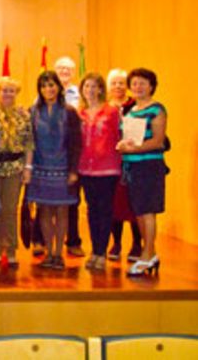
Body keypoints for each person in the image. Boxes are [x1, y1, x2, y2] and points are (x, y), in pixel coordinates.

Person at [25, 71, 82, 270]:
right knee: (44, 211)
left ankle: (59, 254)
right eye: (44, 86)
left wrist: (74, 170)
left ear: (58, 87)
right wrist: (28, 168)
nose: (48, 89)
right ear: (39, 90)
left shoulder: (70, 112)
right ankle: (49, 253)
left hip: (63, 168)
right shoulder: (32, 111)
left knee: (62, 210)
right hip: (40, 169)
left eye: (51, 85)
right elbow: (28, 142)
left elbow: (76, 143)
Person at [117, 68, 168, 277]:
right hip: (132, 166)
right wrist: (123, 145)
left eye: (143, 83)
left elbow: (158, 141)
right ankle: (151, 253)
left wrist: (133, 149)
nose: (138, 87)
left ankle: (146, 255)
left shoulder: (157, 110)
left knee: (148, 211)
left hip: (149, 166)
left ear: (151, 86)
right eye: (135, 83)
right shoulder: (130, 110)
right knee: (138, 211)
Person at [78, 73, 121, 271]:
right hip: (85, 168)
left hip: (107, 168)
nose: (91, 90)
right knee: (91, 210)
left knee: (105, 210)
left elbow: (121, 136)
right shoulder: (81, 113)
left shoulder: (112, 111)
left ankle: (102, 252)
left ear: (101, 89)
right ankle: (94, 250)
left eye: (95, 86)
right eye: (87, 86)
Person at [0, 77, 33, 266]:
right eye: (4, 90)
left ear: (16, 93)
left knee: (10, 209)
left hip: (15, 167)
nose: (7, 94)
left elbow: (29, 143)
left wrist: (28, 168)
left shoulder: (24, 114)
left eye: (11, 90)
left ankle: (12, 249)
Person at [106, 68, 141, 262]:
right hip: (111, 163)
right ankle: (116, 243)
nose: (118, 86)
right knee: (115, 204)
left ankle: (137, 243)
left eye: (121, 82)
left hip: (133, 161)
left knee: (134, 203)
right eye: (114, 83)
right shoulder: (104, 107)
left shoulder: (135, 105)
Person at [54, 56, 84, 256]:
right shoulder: (43, 93)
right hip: (50, 154)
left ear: (74, 73)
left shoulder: (80, 94)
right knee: (45, 202)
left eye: (68, 69)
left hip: (73, 152)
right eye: (61, 69)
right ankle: (41, 240)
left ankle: (73, 241)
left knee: (72, 199)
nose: (64, 72)